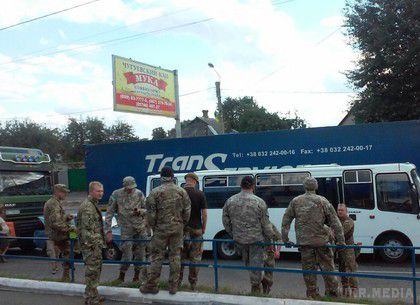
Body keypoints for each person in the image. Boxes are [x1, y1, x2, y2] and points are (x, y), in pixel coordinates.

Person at [281, 177, 345, 299]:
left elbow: (286, 220)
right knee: (328, 269)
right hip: (321, 242)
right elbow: (335, 221)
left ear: (304, 187)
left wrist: (285, 239)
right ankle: (332, 295)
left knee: (309, 271)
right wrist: (341, 240)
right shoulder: (322, 200)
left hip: (305, 244)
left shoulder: (296, 201)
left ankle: (312, 295)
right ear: (316, 187)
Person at [140, 167, 191, 295]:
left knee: (156, 256)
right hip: (177, 228)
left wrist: (154, 226)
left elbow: (151, 215)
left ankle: (152, 285)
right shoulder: (182, 191)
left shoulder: (154, 192)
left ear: (161, 177)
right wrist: (181, 224)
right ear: (173, 177)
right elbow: (187, 212)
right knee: (175, 256)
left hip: (160, 229)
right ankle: (173, 286)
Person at [222, 176, 274, 293]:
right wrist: (270, 240)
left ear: (241, 186)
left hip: (239, 240)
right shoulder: (259, 202)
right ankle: (261, 285)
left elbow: (225, 221)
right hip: (256, 240)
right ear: (253, 186)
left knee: (249, 265)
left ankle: (257, 287)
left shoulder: (230, 201)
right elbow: (266, 224)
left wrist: (233, 233)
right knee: (255, 266)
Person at [105, 176, 147, 283]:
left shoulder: (139, 193)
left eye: (132, 187)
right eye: (128, 188)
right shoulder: (116, 194)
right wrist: (108, 230)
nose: (130, 189)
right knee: (127, 256)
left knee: (140, 255)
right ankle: (121, 276)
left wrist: (140, 211)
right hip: (126, 230)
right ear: (124, 186)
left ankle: (136, 277)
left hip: (140, 229)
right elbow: (109, 213)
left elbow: (147, 210)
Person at [77, 181, 106, 305]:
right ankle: (91, 298)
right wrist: (97, 243)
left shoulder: (93, 204)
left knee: (94, 272)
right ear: (91, 191)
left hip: (94, 245)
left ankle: (93, 295)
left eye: (102, 191)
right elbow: (86, 231)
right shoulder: (88, 207)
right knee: (92, 272)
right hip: (91, 246)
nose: (101, 193)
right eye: (98, 191)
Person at [178, 172, 208, 291]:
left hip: (181, 230)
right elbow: (204, 214)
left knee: (179, 257)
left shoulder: (179, 193)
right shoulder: (200, 194)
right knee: (195, 258)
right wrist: (203, 228)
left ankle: (177, 282)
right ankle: (193, 285)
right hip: (196, 230)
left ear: (186, 181)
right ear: (195, 181)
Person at [43, 184, 75, 281]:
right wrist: (70, 228)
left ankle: (66, 273)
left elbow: (56, 219)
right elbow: (55, 222)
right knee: (71, 248)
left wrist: (66, 217)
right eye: (64, 192)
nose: (66, 194)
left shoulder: (55, 202)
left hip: (56, 234)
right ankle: (66, 274)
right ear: (57, 192)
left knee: (69, 251)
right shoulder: (54, 203)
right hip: (57, 235)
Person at [336, 203, 359, 297]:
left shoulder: (348, 221)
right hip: (340, 250)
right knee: (342, 270)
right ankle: (345, 290)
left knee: (351, 270)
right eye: (338, 210)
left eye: (342, 210)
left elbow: (340, 233)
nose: (340, 212)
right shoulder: (337, 221)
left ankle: (354, 292)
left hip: (348, 250)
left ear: (346, 211)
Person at [261, 222, 282, 294]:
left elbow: (279, 238)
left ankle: (265, 294)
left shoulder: (270, 225)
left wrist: (278, 251)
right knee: (257, 274)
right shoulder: (254, 225)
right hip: (256, 254)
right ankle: (268, 282)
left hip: (269, 254)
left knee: (269, 274)